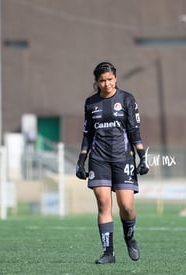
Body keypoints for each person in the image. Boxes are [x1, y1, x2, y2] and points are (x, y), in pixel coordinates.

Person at [76, 61, 149, 264]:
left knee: (126, 207)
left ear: (115, 78)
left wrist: (142, 158)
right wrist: (81, 161)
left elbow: (135, 132)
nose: (106, 84)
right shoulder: (90, 103)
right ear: (97, 82)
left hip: (123, 158)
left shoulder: (127, 99)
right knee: (103, 205)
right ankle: (108, 253)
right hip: (99, 160)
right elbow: (87, 134)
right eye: (102, 80)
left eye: (110, 79)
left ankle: (130, 238)